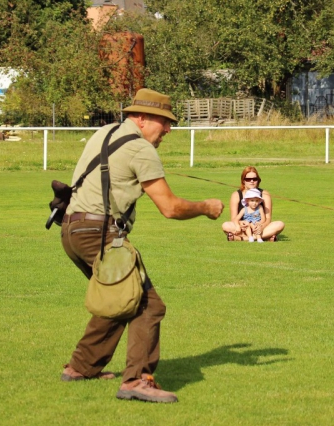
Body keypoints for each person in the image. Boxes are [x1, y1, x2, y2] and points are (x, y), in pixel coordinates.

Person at [59, 89, 224, 403]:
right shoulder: (141, 149)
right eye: (164, 122)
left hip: (71, 228)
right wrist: (205, 207)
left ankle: (81, 367)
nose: (168, 130)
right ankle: (138, 381)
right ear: (142, 117)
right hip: (99, 232)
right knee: (149, 306)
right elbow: (170, 207)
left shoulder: (105, 132)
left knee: (121, 298)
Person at [221, 166, 285, 241]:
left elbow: (268, 218)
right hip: (244, 228)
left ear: (258, 180)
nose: (252, 181)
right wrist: (241, 223)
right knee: (226, 225)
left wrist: (261, 226)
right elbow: (233, 218)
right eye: (248, 179)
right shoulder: (236, 195)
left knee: (280, 224)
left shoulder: (264, 194)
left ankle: (242, 238)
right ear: (243, 181)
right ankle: (264, 237)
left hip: (260, 227)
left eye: (255, 179)